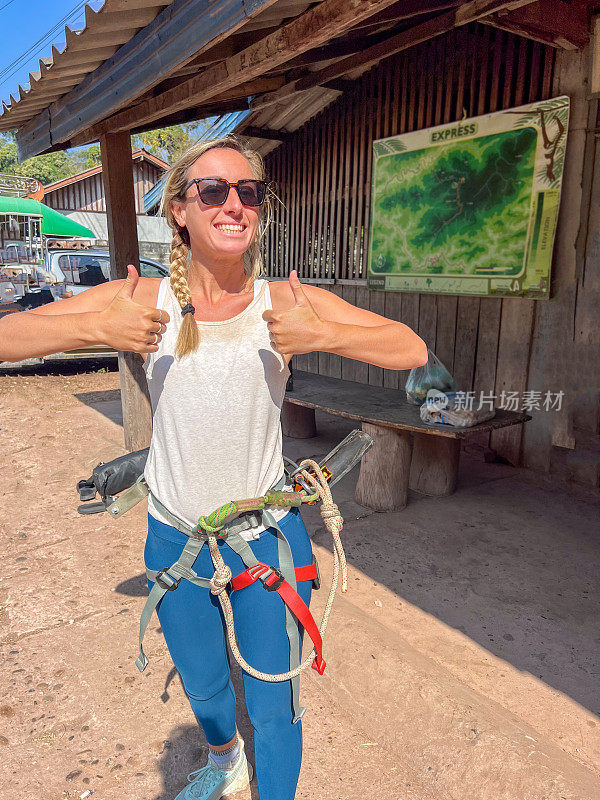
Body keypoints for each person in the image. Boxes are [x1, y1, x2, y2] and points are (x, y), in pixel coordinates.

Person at [0, 134, 427, 800]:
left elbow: (409, 348)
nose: (234, 204)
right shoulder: (146, 302)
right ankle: (226, 759)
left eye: (247, 192)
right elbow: (8, 335)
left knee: (274, 702)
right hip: (175, 536)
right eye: (213, 190)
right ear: (178, 209)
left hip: (263, 539)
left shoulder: (283, 303)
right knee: (203, 683)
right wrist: (94, 331)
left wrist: (325, 335)